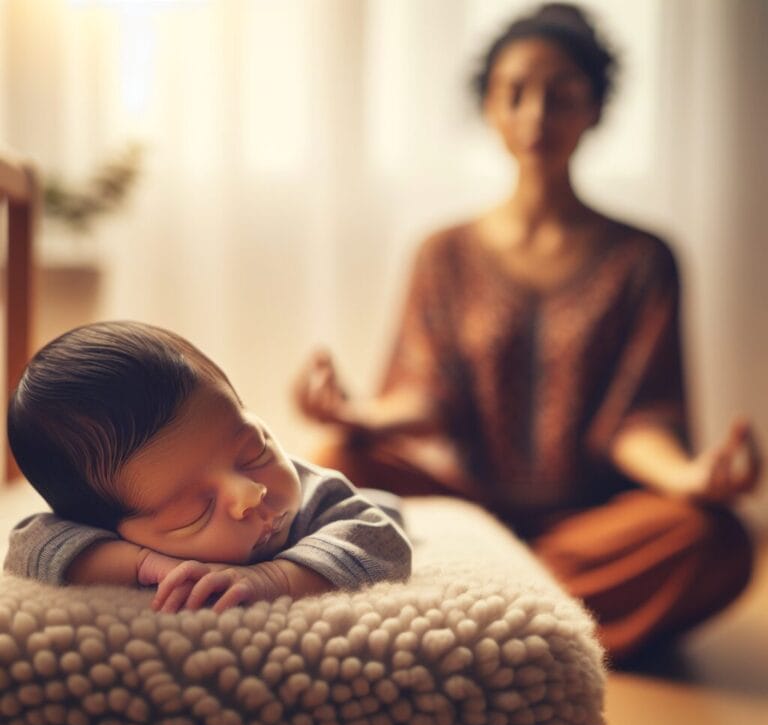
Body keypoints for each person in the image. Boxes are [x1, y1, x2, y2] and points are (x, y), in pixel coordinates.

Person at [294, 3, 762, 661]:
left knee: (719, 539)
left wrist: (690, 478)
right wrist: (359, 412)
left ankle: (478, 600)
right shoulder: (443, 252)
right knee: (340, 458)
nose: (536, 112)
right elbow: (428, 393)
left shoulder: (643, 259)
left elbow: (639, 418)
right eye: (515, 92)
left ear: (595, 109)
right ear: (490, 106)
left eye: (562, 93)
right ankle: (542, 609)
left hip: (593, 526)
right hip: (468, 509)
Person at [4, 321, 411, 613]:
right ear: (117, 529)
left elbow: (381, 542)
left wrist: (276, 578)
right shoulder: (107, 533)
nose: (251, 494)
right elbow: (26, 547)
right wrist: (144, 565)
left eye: (254, 451)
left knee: (384, 509)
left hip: (363, 509)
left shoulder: (313, 494)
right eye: (194, 512)